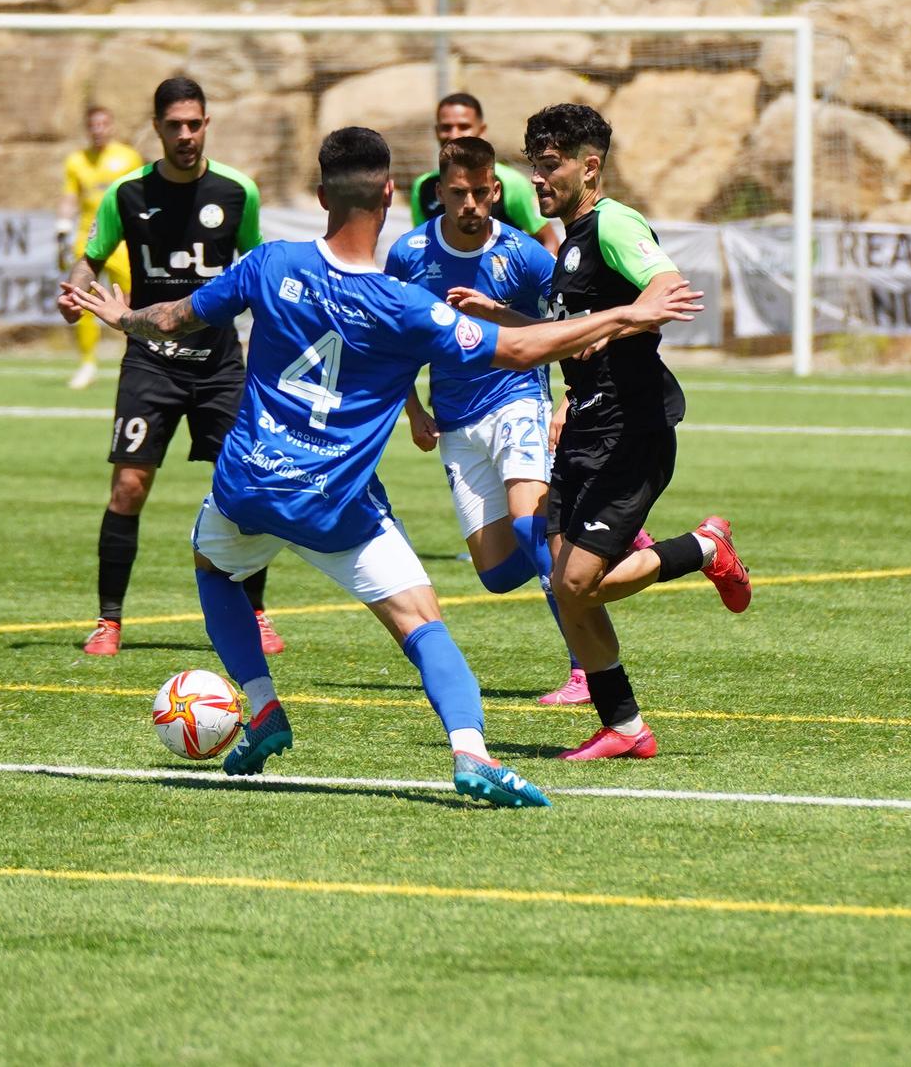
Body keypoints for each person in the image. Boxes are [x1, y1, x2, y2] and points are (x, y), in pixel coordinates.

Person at [67, 126, 703, 806]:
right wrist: (627, 314)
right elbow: (522, 352)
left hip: (248, 485)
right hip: (336, 505)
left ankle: (263, 706)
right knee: (422, 623)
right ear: (392, 195)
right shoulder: (405, 307)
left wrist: (123, 317)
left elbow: (174, 318)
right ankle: (471, 754)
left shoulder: (270, 265)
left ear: (319, 196)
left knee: (214, 565)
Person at [468, 102, 750, 762]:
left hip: (630, 429)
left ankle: (705, 547)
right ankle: (624, 725)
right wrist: (501, 313)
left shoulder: (615, 224)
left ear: (589, 166)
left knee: (576, 584)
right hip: (585, 426)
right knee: (565, 587)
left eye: (550, 166)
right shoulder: (570, 239)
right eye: (534, 166)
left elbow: (667, 291)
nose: (537, 180)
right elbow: (586, 325)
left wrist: (631, 314)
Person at [58, 77, 280, 657]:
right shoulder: (126, 194)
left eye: (195, 124)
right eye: (175, 125)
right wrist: (73, 292)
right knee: (129, 486)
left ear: (206, 124)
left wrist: (261, 351)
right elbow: (90, 260)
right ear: (156, 127)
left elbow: (256, 275)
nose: (186, 135)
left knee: (245, 488)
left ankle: (255, 612)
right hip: (151, 363)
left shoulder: (238, 192)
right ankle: (109, 620)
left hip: (220, 364)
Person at [386, 135, 588, 705]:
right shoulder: (408, 255)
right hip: (455, 421)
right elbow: (393, 340)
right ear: (438, 195)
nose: (470, 204)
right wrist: (413, 411)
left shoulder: (525, 255)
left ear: (496, 192)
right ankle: (581, 545)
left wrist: (566, 400)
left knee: (531, 528)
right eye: (458, 194)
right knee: (497, 573)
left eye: (480, 193)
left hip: (518, 402)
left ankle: (585, 669)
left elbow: (568, 330)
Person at [59, 105, 145, 391]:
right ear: (87, 129)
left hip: (122, 242)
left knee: (134, 301)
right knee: (78, 298)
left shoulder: (128, 157)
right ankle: (87, 362)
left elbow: (141, 197)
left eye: (103, 124)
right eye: (93, 125)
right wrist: (62, 224)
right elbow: (71, 196)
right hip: (88, 239)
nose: (99, 130)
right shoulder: (76, 161)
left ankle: (138, 358)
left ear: (112, 126)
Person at [409, 93, 560, 253]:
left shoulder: (512, 183)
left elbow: (548, 240)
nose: (453, 134)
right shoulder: (423, 186)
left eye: (463, 126)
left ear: (481, 130)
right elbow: (420, 245)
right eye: (446, 127)